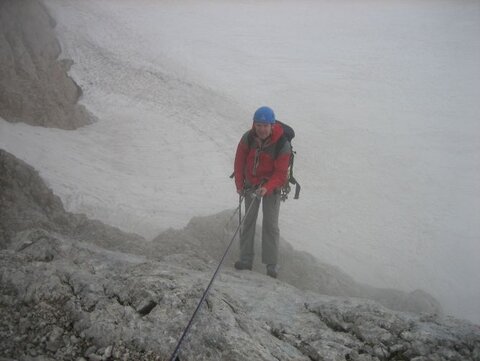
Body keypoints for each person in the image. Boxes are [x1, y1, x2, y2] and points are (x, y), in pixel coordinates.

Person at [233, 106, 291, 278]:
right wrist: (239, 184)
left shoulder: (282, 144)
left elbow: (280, 174)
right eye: (258, 125)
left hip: (272, 188)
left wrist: (267, 187)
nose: (262, 129)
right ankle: (245, 260)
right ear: (254, 124)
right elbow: (239, 162)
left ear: (272, 125)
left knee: (270, 225)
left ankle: (271, 265)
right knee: (248, 220)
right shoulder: (248, 138)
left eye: (265, 125)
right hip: (251, 184)